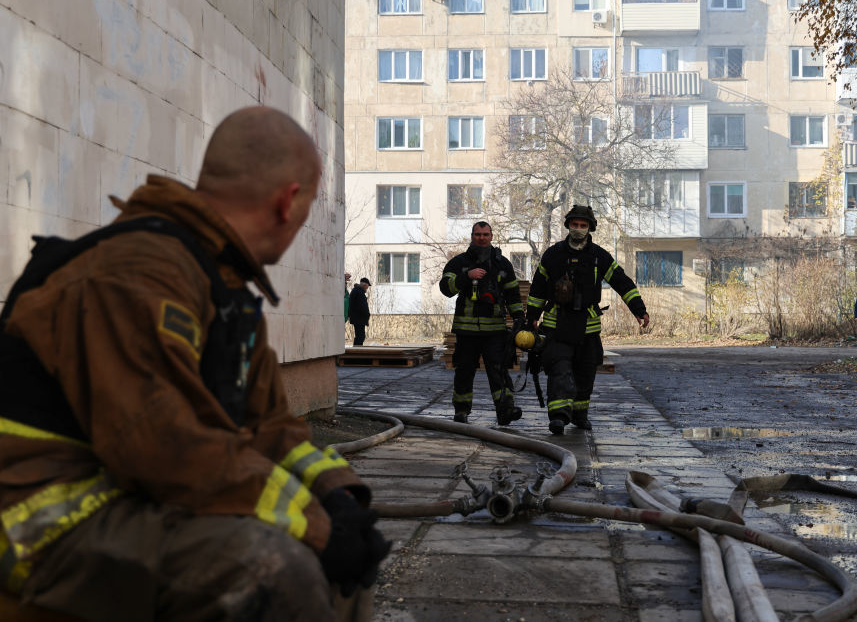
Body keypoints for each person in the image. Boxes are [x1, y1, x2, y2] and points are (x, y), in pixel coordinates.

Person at [0, 107, 388, 620]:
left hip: (125, 491)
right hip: (41, 521)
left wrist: (340, 500)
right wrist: (314, 525)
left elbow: (270, 427)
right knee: (272, 569)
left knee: (345, 568)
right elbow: (162, 445)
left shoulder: (220, 288)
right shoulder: (136, 274)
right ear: (288, 201)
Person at [525, 205, 650, 435]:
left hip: (587, 328)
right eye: (575, 225)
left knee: (586, 372)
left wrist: (639, 309)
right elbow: (538, 289)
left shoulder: (598, 256)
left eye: (583, 226)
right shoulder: (553, 255)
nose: (578, 229)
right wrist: (531, 317)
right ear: (568, 226)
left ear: (590, 228)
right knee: (559, 369)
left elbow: (621, 282)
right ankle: (559, 418)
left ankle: (580, 415)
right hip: (557, 326)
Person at [439, 221, 525, 425]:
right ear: (472, 236)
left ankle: (505, 410)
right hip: (467, 331)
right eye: (478, 234)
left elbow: (513, 294)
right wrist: (466, 277)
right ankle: (461, 411)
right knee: (464, 370)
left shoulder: (502, 263)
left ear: (492, 236)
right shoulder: (458, 263)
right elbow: (446, 288)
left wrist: (519, 318)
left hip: (495, 330)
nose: (481, 238)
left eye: (485, 234)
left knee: (499, 370)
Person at [349, 277, 371, 346]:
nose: (367, 288)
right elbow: (362, 306)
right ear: (364, 285)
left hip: (358, 318)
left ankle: (356, 351)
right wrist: (367, 315)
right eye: (367, 286)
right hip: (359, 318)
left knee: (360, 336)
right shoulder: (359, 292)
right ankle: (356, 352)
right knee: (360, 337)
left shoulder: (357, 291)